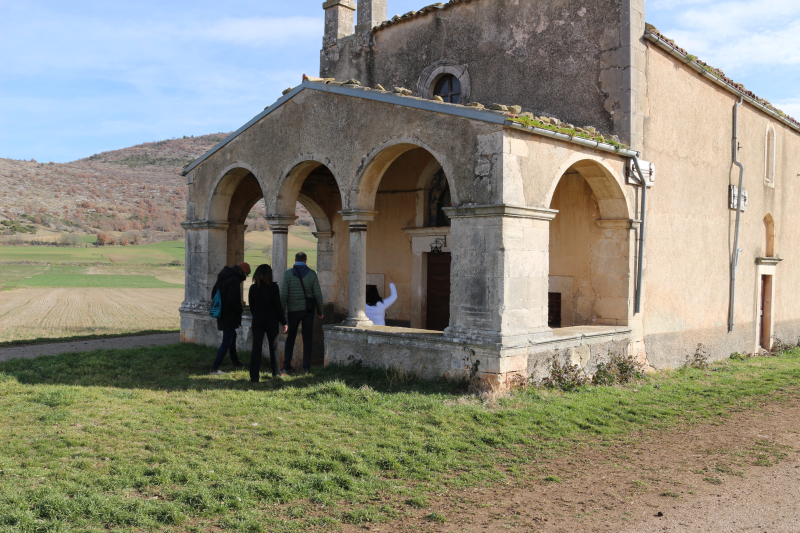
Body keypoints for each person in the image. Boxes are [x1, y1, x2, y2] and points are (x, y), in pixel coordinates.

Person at [280, 252, 324, 374]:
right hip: (308, 311)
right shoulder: (311, 274)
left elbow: (283, 295)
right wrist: (320, 311)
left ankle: (286, 365)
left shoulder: (288, 274)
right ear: (305, 261)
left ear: (295, 260)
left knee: (290, 338)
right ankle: (306, 367)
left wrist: (281, 314)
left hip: (293, 311)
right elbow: (317, 294)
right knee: (307, 338)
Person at [247, 264, 288, 382]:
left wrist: (258, 316)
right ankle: (276, 373)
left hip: (258, 320)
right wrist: (284, 322)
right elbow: (278, 307)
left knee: (256, 349)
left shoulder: (253, 288)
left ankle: (254, 377)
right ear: (269, 274)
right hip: (271, 321)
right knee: (274, 347)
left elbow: (252, 307)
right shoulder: (274, 288)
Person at [210, 262, 250, 375]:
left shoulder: (222, 276)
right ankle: (215, 368)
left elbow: (213, 294)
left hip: (222, 313)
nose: (245, 278)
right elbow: (231, 300)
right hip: (230, 315)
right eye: (246, 275)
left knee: (232, 337)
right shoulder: (234, 280)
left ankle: (235, 362)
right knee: (227, 341)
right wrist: (239, 310)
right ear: (241, 272)